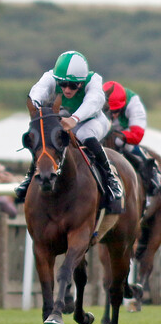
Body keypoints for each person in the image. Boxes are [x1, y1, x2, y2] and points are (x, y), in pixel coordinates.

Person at [15, 51, 123, 214]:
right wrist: (37, 109)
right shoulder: (51, 76)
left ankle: (110, 179)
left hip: (93, 120)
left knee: (84, 135)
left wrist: (75, 118)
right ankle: (31, 175)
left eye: (73, 85)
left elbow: (94, 101)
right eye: (63, 84)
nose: (66, 89)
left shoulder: (93, 80)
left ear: (81, 82)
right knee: (45, 139)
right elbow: (37, 92)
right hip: (65, 118)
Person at [103, 81, 161, 196]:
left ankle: (152, 174)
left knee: (122, 143)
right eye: (110, 111)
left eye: (116, 111)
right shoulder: (97, 98)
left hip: (126, 131)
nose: (112, 115)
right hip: (107, 129)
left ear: (123, 105)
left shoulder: (134, 105)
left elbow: (136, 136)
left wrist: (117, 134)